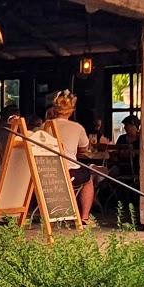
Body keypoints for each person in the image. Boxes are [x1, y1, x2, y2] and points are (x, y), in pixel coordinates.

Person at [49, 90, 94, 222]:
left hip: (47, 172)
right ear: (71, 111)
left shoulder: (44, 127)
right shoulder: (77, 127)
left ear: (54, 109)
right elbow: (84, 147)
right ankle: (85, 217)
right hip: (70, 172)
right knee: (88, 178)